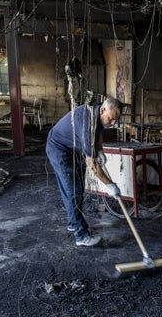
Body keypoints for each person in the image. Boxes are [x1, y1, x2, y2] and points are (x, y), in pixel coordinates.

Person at [46, 97, 122, 247]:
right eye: (112, 119)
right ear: (102, 110)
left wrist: (99, 150)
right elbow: (92, 165)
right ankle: (81, 235)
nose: (113, 123)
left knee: (77, 189)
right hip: (59, 150)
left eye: (116, 120)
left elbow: (99, 132)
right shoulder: (87, 124)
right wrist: (110, 185)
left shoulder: (98, 115)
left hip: (72, 149)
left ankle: (73, 222)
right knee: (73, 192)